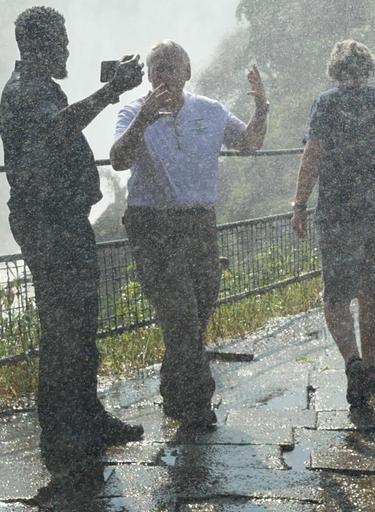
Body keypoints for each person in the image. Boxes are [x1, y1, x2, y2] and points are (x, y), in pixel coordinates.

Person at [0, 6, 146, 475]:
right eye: (60, 40)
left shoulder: (37, 89)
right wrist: (111, 91)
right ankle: (62, 434)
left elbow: (56, 128)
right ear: (38, 45)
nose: (67, 48)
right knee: (65, 328)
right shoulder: (25, 91)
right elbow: (56, 128)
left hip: (60, 220)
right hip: (49, 223)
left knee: (79, 324)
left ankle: (87, 418)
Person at [110, 40, 268, 428]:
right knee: (180, 312)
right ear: (147, 76)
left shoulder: (209, 111)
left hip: (199, 222)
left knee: (197, 309)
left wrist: (261, 107)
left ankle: (173, 391)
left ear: (187, 71)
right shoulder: (133, 112)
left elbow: (247, 144)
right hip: (153, 226)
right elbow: (117, 159)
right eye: (155, 68)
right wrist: (144, 120)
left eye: (171, 66)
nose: (163, 74)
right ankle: (197, 402)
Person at [292, 40, 375, 408]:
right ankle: (373, 363)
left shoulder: (327, 103)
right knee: (373, 291)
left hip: (339, 213)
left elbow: (313, 155)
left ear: (335, 70)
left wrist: (299, 203)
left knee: (336, 296)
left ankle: (353, 363)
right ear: (369, 67)